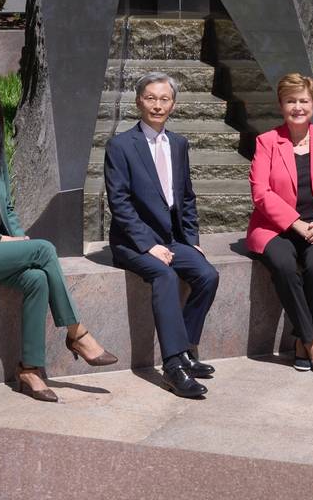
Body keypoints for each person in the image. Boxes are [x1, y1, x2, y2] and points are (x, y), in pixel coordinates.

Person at [0, 87, 117, 403]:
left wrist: (19, 238)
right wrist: (2, 240)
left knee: (37, 278)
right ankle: (77, 333)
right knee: (43, 250)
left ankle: (29, 369)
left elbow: (9, 210)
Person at [104, 72, 219, 399]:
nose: (157, 105)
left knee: (207, 275)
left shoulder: (179, 144)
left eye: (164, 99)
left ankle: (184, 350)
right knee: (165, 277)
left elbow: (186, 197)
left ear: (173, 104)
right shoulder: (121, 145)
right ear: (139, 100)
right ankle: (172, 366)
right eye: (151, 98)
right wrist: (148, 245)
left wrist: (192, 241)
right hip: (132, 242)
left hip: (173, 240)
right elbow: (119, 203)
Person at [246, 74, 313, 375]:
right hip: (275, 228)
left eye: (303, 101)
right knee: (282, 264)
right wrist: (295, 224)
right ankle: (310, 341)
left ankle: (299, 343)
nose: (297, 107)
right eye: (291, 101)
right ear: (281, 105)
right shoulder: (267, 142)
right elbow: (261, 193)